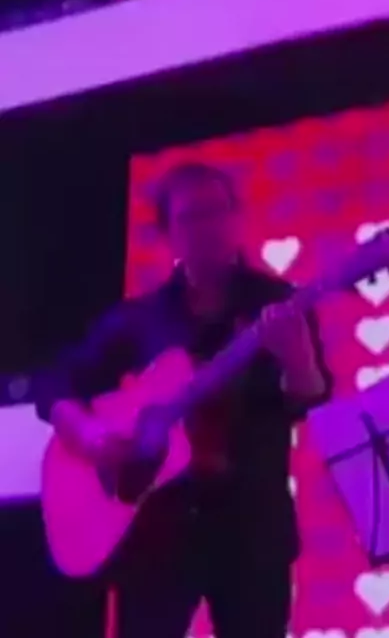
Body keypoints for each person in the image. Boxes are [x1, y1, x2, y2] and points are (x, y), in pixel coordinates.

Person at [36, 161, 332, 638]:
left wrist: (299, 360)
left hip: (251, 533)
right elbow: (55, 383)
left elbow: (309, 399)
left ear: (236, 217)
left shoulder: (279, 304)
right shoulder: (141, 318)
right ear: (168, 235)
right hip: (156, 538)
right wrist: (89, 435)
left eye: (218, 211)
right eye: (192, 217)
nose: (209, 226)